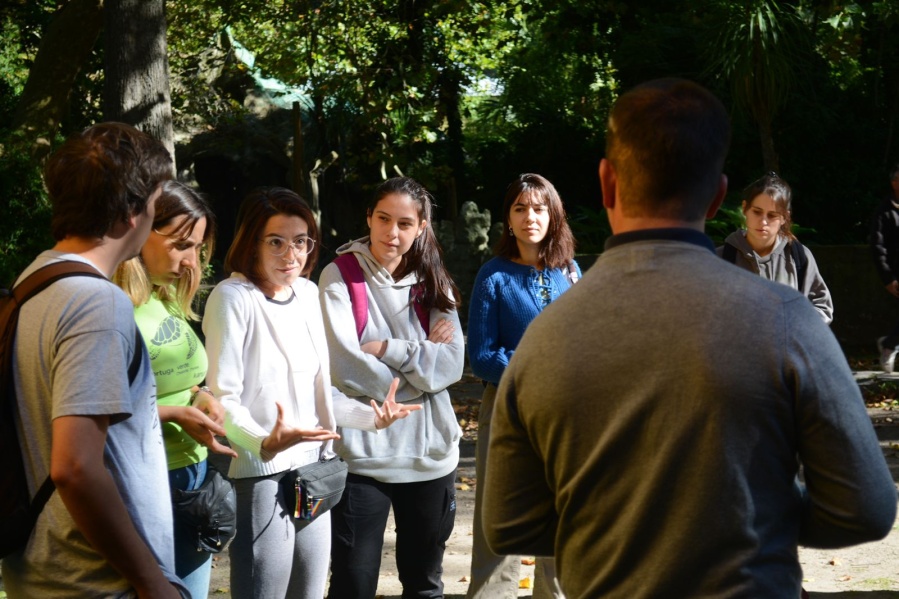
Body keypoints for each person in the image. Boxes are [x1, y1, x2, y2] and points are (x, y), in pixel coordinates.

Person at [482, 78, 897, 598]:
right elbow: (867, 508)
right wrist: (749, 516)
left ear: (607, 183)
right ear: (720, 195)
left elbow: (508, 524)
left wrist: (612, 528)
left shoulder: (545, 337)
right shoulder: (787, 320)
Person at [202, 187, 417, 599]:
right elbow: (222, 399)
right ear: (251, 241)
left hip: (315, 471)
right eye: (276, 241)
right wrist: (262, 442)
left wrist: (371, 417)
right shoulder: (233, 298)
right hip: (263, 473)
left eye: (300, 241)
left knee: (311, 592)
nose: (291, 254)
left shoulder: (307, 293)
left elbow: (321, 393)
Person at [2, 122, 187, 597]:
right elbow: (75, 466)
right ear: (130, 213)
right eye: (154, 202)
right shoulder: (97, 303)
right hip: (94, 581)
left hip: (42, 571)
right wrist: (152, 584)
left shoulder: (33, 282)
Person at [319, 176, 465, 598]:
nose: (392, 232)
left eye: (404, 223)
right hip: (363, 459)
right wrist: (423, 365)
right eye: (383, 219)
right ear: (369, 218)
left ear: (421, 227)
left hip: (430, 456)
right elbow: (345, 364)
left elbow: (452, 364)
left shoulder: (434, 278)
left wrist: (387, 346)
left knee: (424, 585)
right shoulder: (339, 275)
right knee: (353, 582)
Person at [113, 180, 238, 599]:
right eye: (181, 244)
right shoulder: (110, 305)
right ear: (142, 228)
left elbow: (184, 379)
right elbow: (96, 413)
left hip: (193, 478)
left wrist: (202, 397)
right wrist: (173, 415)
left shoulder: (163, 292)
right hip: (143, 480)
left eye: (198, 249)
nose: (190, 262)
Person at [466, 173, 578, 599]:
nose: (530, 217)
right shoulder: (493, 276)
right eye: (519, 208)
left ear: (553, 213)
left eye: (538, 207)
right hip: (509, 407)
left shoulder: (570, 270)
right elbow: (481, 355)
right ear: (507, 218)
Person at [717, 172, 833, 324]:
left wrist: (792, 324)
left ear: (784, 217)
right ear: (745, 209)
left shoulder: (799, 257)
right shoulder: (721, 258)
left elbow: (823, 307)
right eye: (757, 212)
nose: (763, 222)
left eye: (772, 215)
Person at [870, 163, 899, 371]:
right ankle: (889, 346)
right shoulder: (884, 212)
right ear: (894, 183)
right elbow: (877, 247)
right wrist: (888, 278)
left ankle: (889, 342)